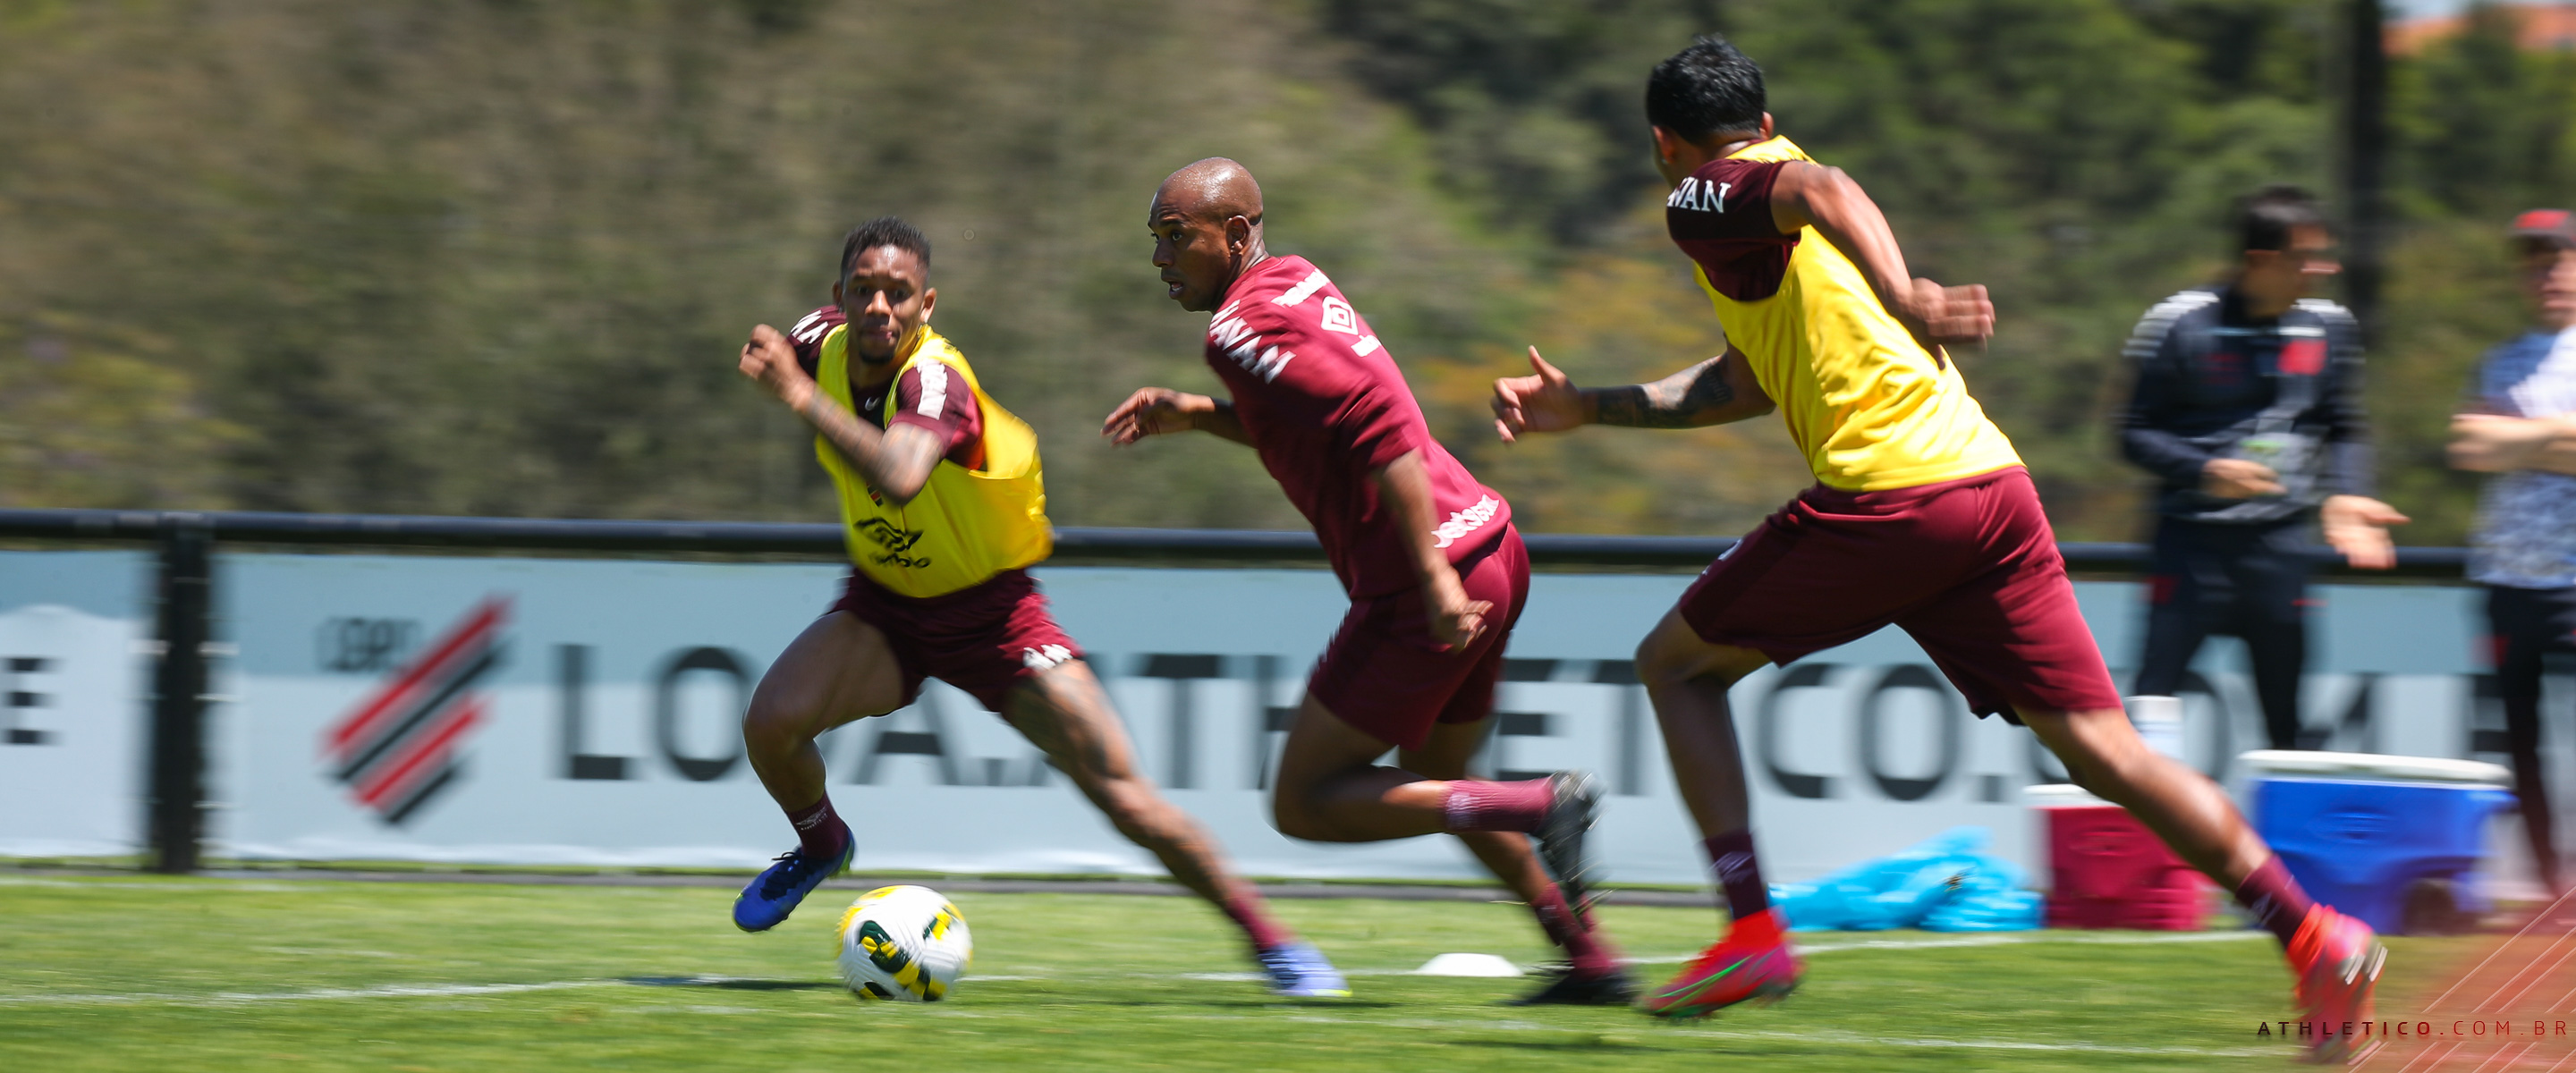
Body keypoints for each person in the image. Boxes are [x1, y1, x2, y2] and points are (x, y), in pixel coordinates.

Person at [1487, 37, 2379, 1058]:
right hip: (1991, 489)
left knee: (1674, 666)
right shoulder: (1772, 215)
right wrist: (1589, 406)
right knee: (2108, 753)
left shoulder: (1709, 194)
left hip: (1893, 498)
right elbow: (1745, 380)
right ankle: (2314, 934)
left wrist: (1906, 292)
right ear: (1765, 117)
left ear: (1665, 144)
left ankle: (1751, 931)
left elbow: (1821, 188)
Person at [731, 216, 1348, 997]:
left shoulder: (936, 380)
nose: (880, 307)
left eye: (899, 294)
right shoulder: (820, 340)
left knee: (1124, 798)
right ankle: (823, 846)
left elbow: (902, 475)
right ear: (840, 297)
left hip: (994, 617)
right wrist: (772, 355)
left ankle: (1274, 944)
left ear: (927, 304)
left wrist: (793, 393)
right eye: (864, 291)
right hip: (886, 606)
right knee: (771, 724)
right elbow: (783, 347)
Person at [1102, 159, 1631, 1005]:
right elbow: (1319, 420)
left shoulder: (1234, 329)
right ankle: (1589, 956)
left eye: (1175, 237)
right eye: (1154, 240)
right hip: (1493, 544)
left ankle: (1540, 805)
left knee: (1304, 802)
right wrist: (1201, 415)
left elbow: (1375, 422)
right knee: (1439, 777)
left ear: (1234, 234)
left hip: (1427, 579)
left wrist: (1432, 580)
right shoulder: (1295, 279)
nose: (1160, 258)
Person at [2116, 185, 2410, 752]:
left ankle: (2278, 813)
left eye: (2325, 254)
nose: (2324, 269)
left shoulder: (2330, 326)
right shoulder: (2180, 322)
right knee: (2153, 702)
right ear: (2260, 260)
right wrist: (2204, 470)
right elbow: (2132, 432)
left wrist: (2348, 493)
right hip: (2189, 546)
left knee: (2285, 721)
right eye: (2306, 258)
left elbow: (2344, 425)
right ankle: (2144, 809)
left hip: (2278, 547)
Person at [2449, 208, 2576, 896]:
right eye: (2533, 264)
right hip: (2508, 581)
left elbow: (2497, 442)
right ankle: (2554, 890)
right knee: (2522, 745)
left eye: (2557, 261)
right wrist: (2557, 436)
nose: (2544, 275)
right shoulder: (2500, 359)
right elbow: (2469, 447)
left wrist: (2516, 437)